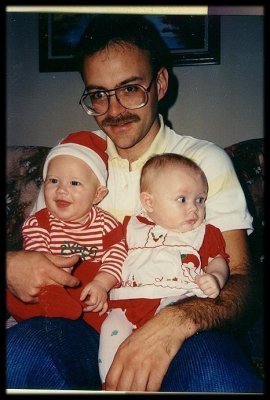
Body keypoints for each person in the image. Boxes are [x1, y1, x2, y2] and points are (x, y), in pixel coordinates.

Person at [6, 14, 263, 392]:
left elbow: (242, 277)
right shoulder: (75, 157)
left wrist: (172, 323)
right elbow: (40, 240)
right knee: (20, 356)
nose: (112, 111)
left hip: (180, 315)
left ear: (159, 83)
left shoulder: (201, 161)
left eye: (129, 89)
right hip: (82, 323)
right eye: (97, 94)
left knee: (217, 378)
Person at [98, 153, 230, 384]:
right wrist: (100, 283)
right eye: (182, 199)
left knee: (174, 348)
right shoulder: (130, 227)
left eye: (200, 199)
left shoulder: (204, 233)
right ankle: (112, 381)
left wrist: (216, 277)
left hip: (175, 301)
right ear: (149, 202)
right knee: (110, 327)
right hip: (129, 303)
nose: (194, 209)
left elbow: (218, 260)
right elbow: (109, 255)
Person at [6, 131, 127, 327]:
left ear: (98, 194)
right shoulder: (40, 221)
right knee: (15, 297)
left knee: (107, 303)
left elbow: (117, 256)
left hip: (89, 292)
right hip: (50, 287)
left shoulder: (107, 224)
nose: (62, 190)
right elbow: (37, 255)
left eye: (75, 183)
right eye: (53, 181)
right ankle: (53, 305)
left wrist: (101, 284)